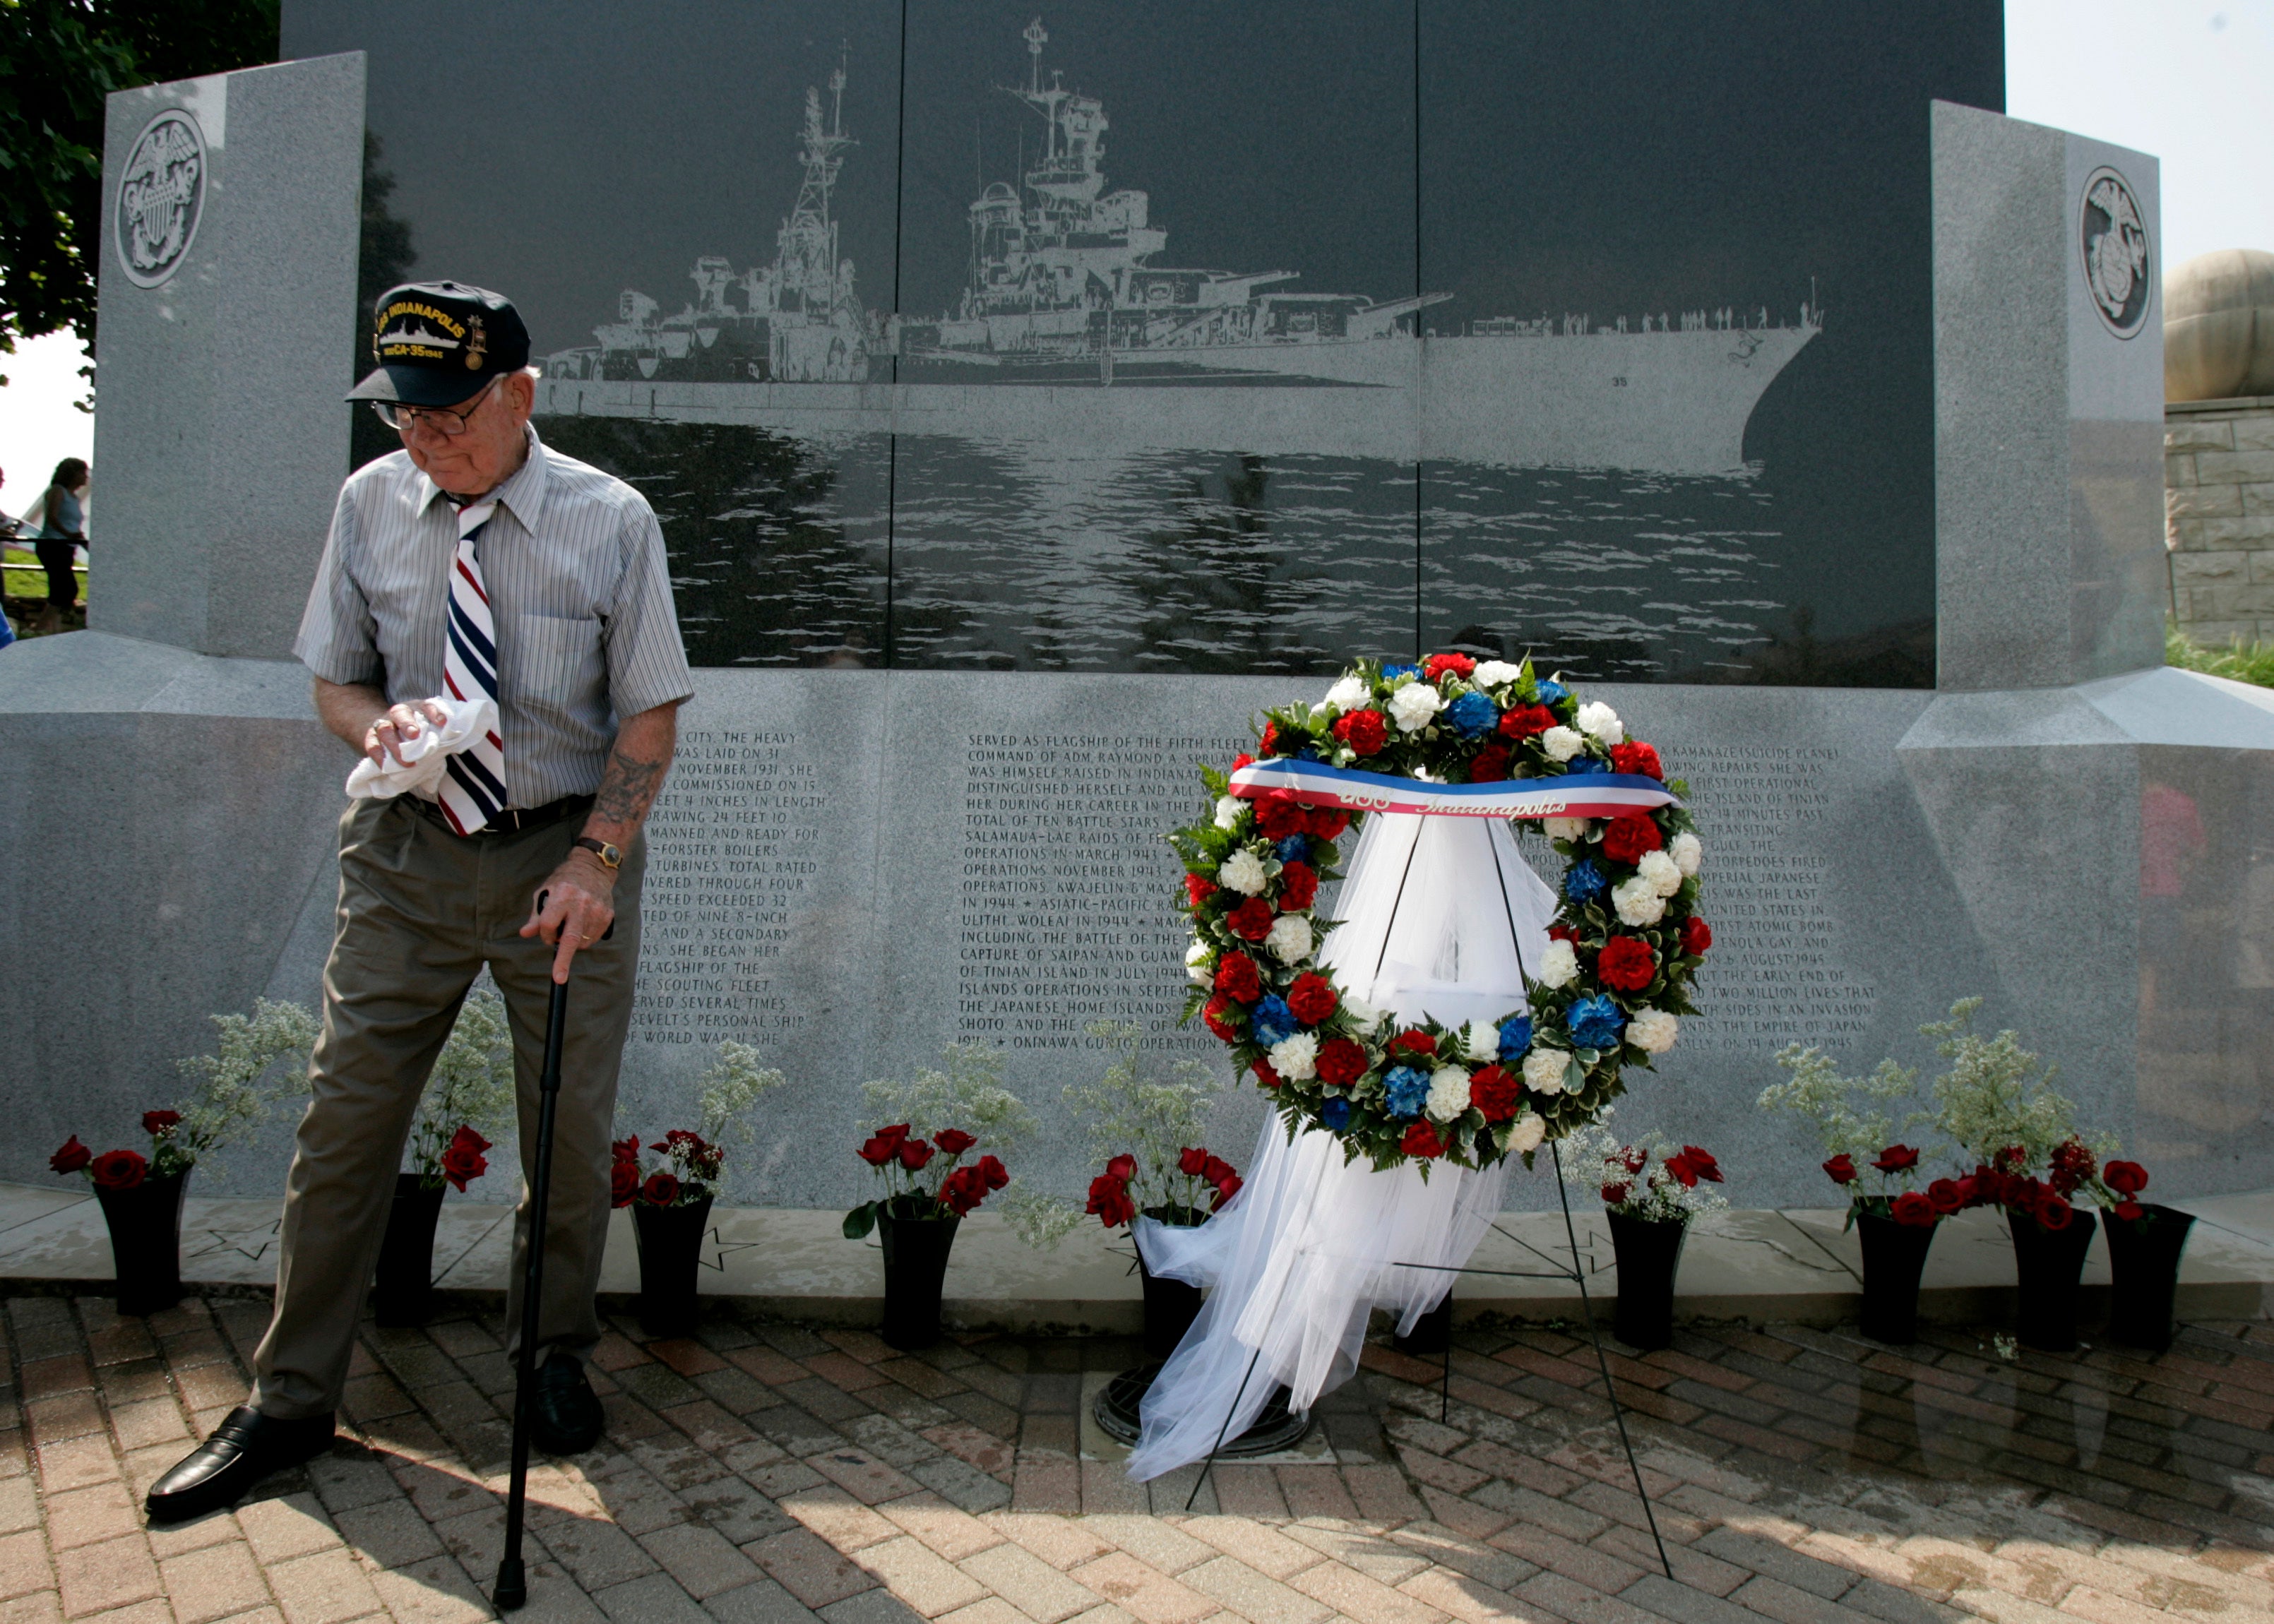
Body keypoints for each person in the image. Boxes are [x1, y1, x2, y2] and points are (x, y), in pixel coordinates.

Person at [145, 282, 695, 1522]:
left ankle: (550, 1354)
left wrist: (597, 861)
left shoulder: (611, 520)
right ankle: (290, 1398)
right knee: (345, 1122)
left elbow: (649, 712)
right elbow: (333, 682)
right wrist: (376, 725)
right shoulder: (369, 503)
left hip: (561, 856)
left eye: (450, 414)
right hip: (407, 856)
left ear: (521, 396)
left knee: (565, 1132)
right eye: (405, 415)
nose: (425, 439)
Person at [33, 457, 88, 634]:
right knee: (66, 588)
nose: (86, 477)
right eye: (83, 473)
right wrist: (68, 534)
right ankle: (40, 628)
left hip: (66, 547)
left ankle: (50, 629)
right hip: (53, 545)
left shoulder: (74, 498)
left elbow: (73, 526)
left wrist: (81, 542)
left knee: (61, 589)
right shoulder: (58, 491)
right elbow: (52, 517)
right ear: (73, 474)